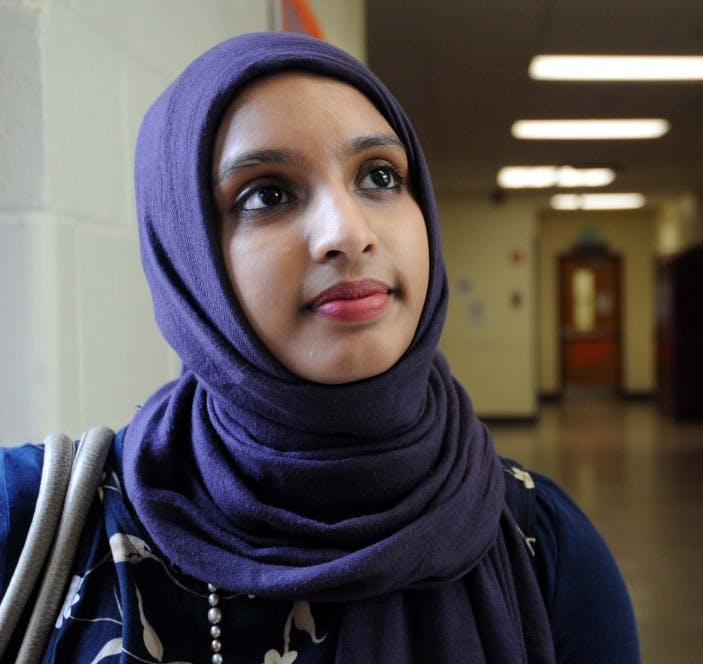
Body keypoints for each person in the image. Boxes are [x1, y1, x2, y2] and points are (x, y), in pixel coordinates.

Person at [0, 32, 639, 663]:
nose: (348, 233)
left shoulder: (542, 544)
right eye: (267, 194)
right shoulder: (33, 522)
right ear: (186, 257)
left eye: (380, 176)